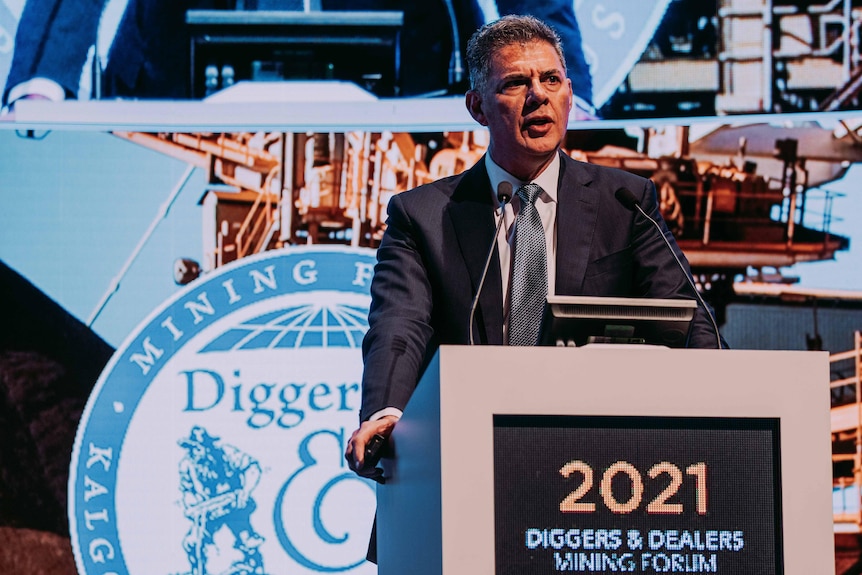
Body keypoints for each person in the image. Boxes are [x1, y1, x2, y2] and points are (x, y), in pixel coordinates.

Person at [344, 14, 725, 560]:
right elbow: (399, 326)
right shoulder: (422, 215)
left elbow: (687, 320)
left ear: (570, 95)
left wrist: (728, 396)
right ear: (477, 107)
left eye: (550, 81)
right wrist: (384, 411)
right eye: (515, 84)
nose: (537, 98)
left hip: (597, 493)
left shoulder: (627, 202)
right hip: (463, 484)